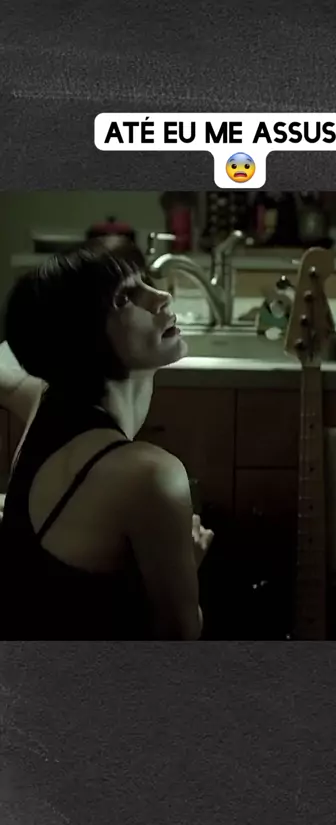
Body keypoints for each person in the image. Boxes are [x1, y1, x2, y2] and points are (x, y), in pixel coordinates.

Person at [0, 246, 213, 639]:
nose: (162, 296)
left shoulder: (43, 405)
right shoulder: (150, 476)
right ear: (84, 336)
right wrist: (186, 565)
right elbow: (179, 641)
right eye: (125, 297)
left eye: (145, 282)